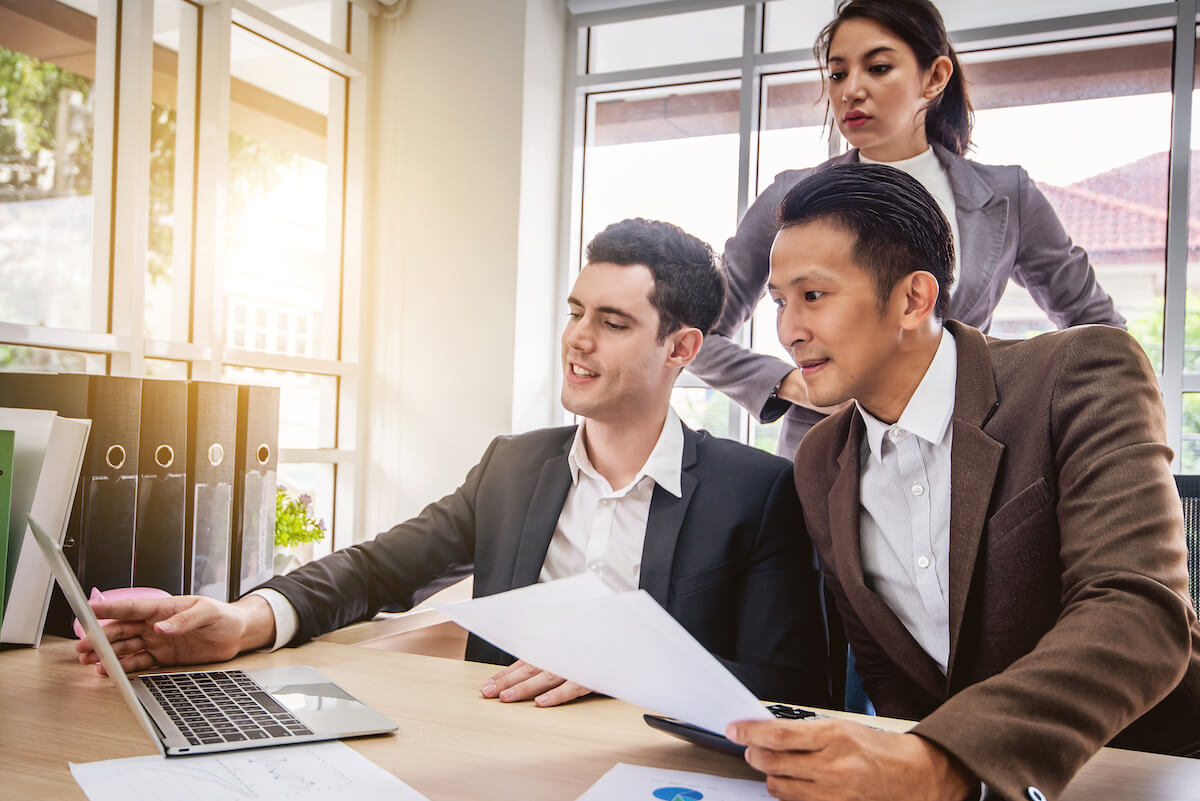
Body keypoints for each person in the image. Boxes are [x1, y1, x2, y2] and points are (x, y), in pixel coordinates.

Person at [76, 218, 830, 709]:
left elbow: (794, 687)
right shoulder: (513, 468)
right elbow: (376, 569)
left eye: (613, 321)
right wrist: (241, 620)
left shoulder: (756, 491)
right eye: (574, 311)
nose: (578, 340)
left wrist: (629, 675)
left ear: (682, 348)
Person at [727, 161, 1200, 801]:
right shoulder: (820, 460)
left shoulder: (1080, 372)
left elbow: (1138, 611)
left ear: (913, 298)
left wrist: (945, 761)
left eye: (813, 296)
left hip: (1140, 772)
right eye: (779, 302)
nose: (787, 331)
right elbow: (893, 680)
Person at [688, 0, 1124, 461]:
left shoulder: (1006, 195)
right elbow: (694, 333)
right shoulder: (790, 196)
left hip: (963, 457)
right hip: (827, 461)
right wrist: (792, 383)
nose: (851, 90)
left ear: (935, 77)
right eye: (837, 74)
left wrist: (1032, 410)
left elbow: (1102, 334)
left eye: (877, 67)